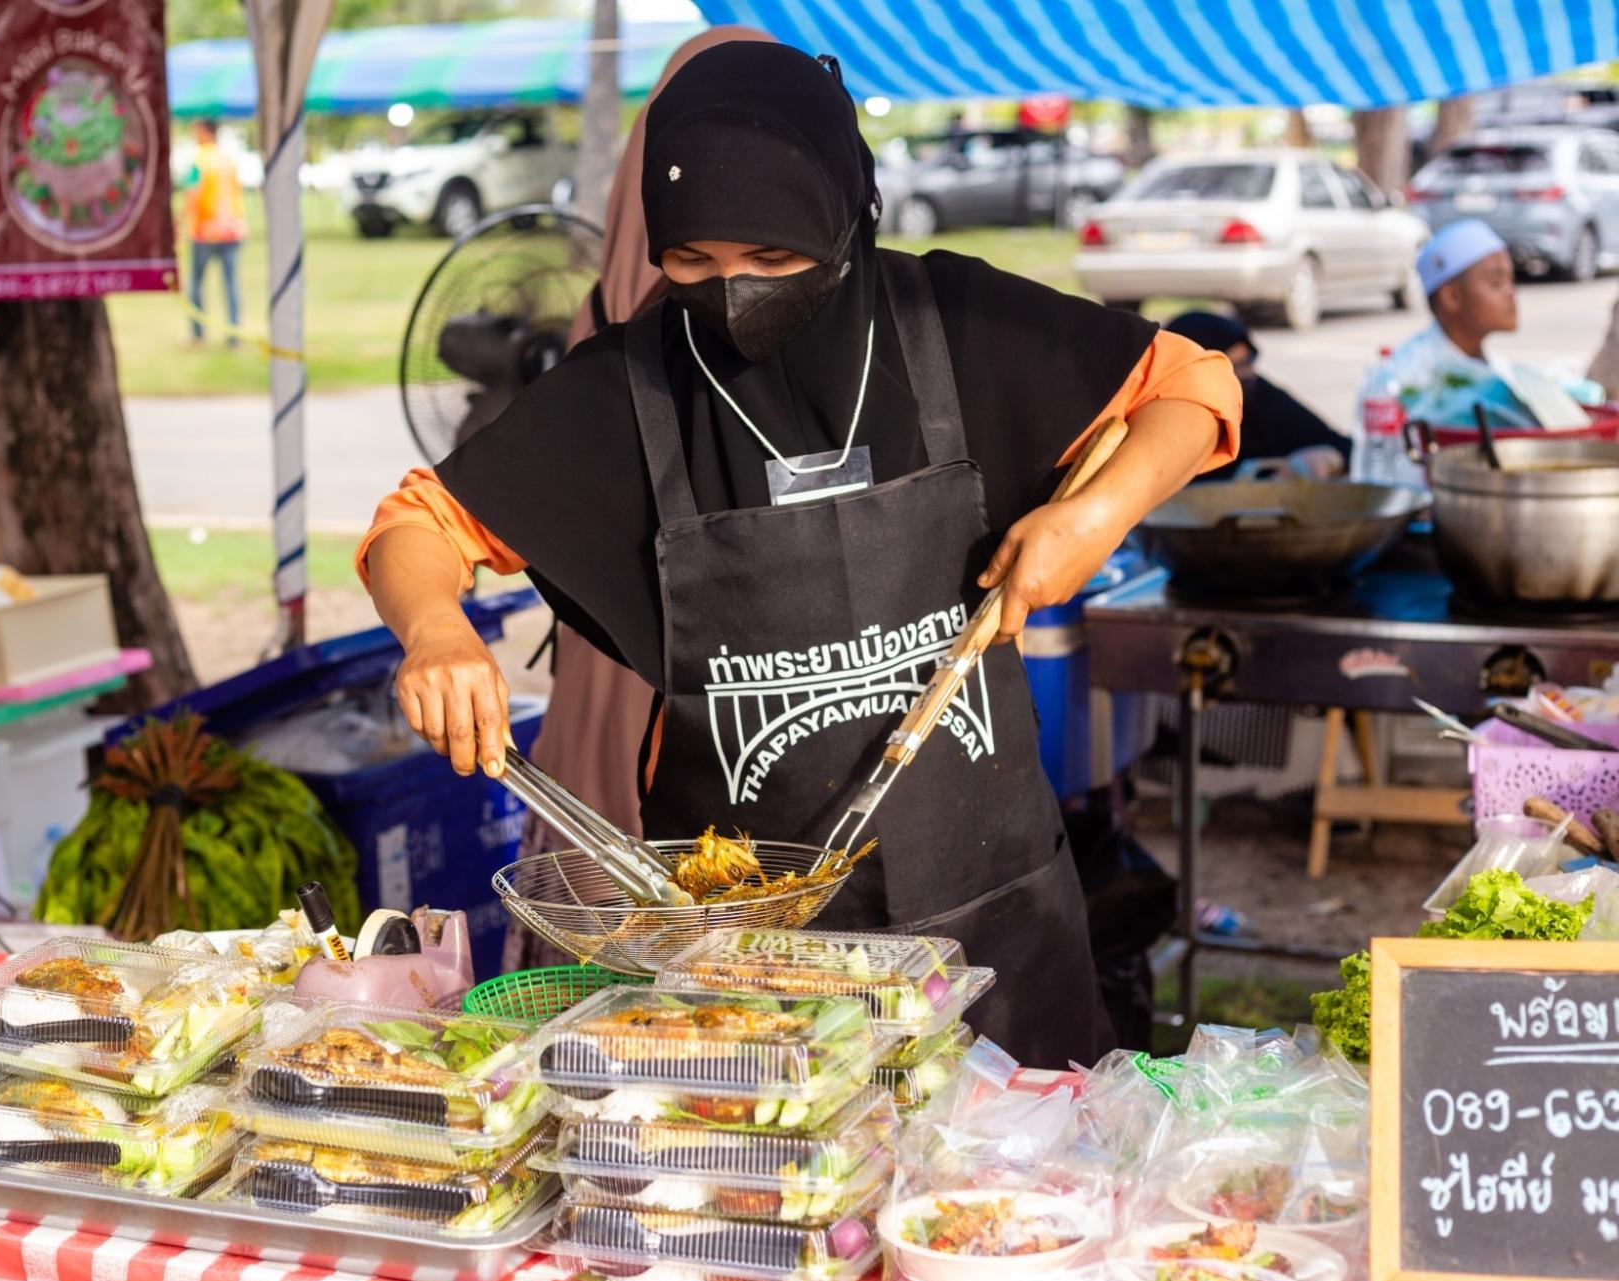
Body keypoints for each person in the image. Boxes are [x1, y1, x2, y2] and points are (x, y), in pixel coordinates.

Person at [357, 44, 1241, 1068]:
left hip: (994, 918)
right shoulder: (632, 386)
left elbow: (1192, 384)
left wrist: (1093, 517)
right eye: (692, 264)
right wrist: (432, 630)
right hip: (745, 958)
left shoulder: (949, 319)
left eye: (772, 261)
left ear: (843, 213)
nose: (732, 295)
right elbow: (417, 522)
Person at [504, 23, 773, 973]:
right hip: (697, 674)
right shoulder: (731, 315)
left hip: (607, 664)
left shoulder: (600, 316)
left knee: (610, 921)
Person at [1387, 220, 1599, 430]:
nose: (1511, 292)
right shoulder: (1404, 380)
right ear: (1451, 296)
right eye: (1496, 283)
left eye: (1511, 280)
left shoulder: (1494, 369)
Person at [1165, 311, 1348, 478]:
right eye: (1231, 368)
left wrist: (1324, 456)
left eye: (1247, 362)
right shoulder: (1165, 417)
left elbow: (1340, 444)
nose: (1246, 374)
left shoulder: (1258, 394)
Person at [182, 118, 247, 347]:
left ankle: (198, 333)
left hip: (206, 231)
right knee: (231, 284)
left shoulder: (199, 161)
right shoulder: (228, 160)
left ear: (205, 132)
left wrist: (180, 222)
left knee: (197, 284)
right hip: (232, 230)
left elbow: (193, 195)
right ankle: (234, 333)